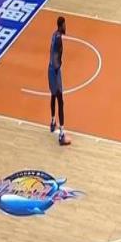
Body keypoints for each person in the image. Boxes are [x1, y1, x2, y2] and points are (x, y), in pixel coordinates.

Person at [48, 16, 70, 146]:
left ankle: (52, 122)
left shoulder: (54, 34)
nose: (66, 27)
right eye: (64, 25)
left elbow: (51, 52)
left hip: (50, 68)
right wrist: (57, 69)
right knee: (60, 101)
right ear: (61, 26)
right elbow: (56, 57)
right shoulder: (59, 39)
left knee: (52, 96)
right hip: (55, 71)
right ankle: (61, 134)